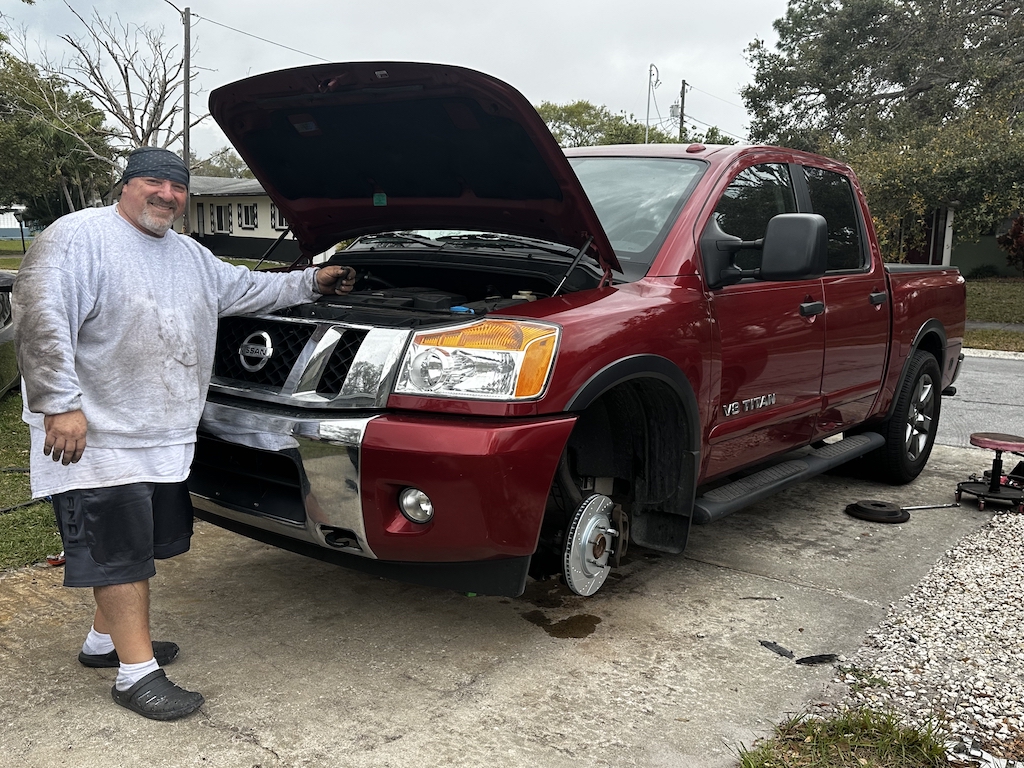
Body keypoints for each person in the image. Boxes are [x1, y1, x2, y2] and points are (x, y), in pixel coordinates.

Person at [12, 146, 355, 721]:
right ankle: (135, 676)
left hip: (163, 434)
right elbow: (40, 317)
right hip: (97, 435)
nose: (167, 196)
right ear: (126, 185)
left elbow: (249, 289)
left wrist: (314, 282)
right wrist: (59, 405)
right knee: (120, 557)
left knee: (143, 546)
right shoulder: (80, 237)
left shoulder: (188, 255)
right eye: (154, 182)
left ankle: (105, 644)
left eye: (178, 189)